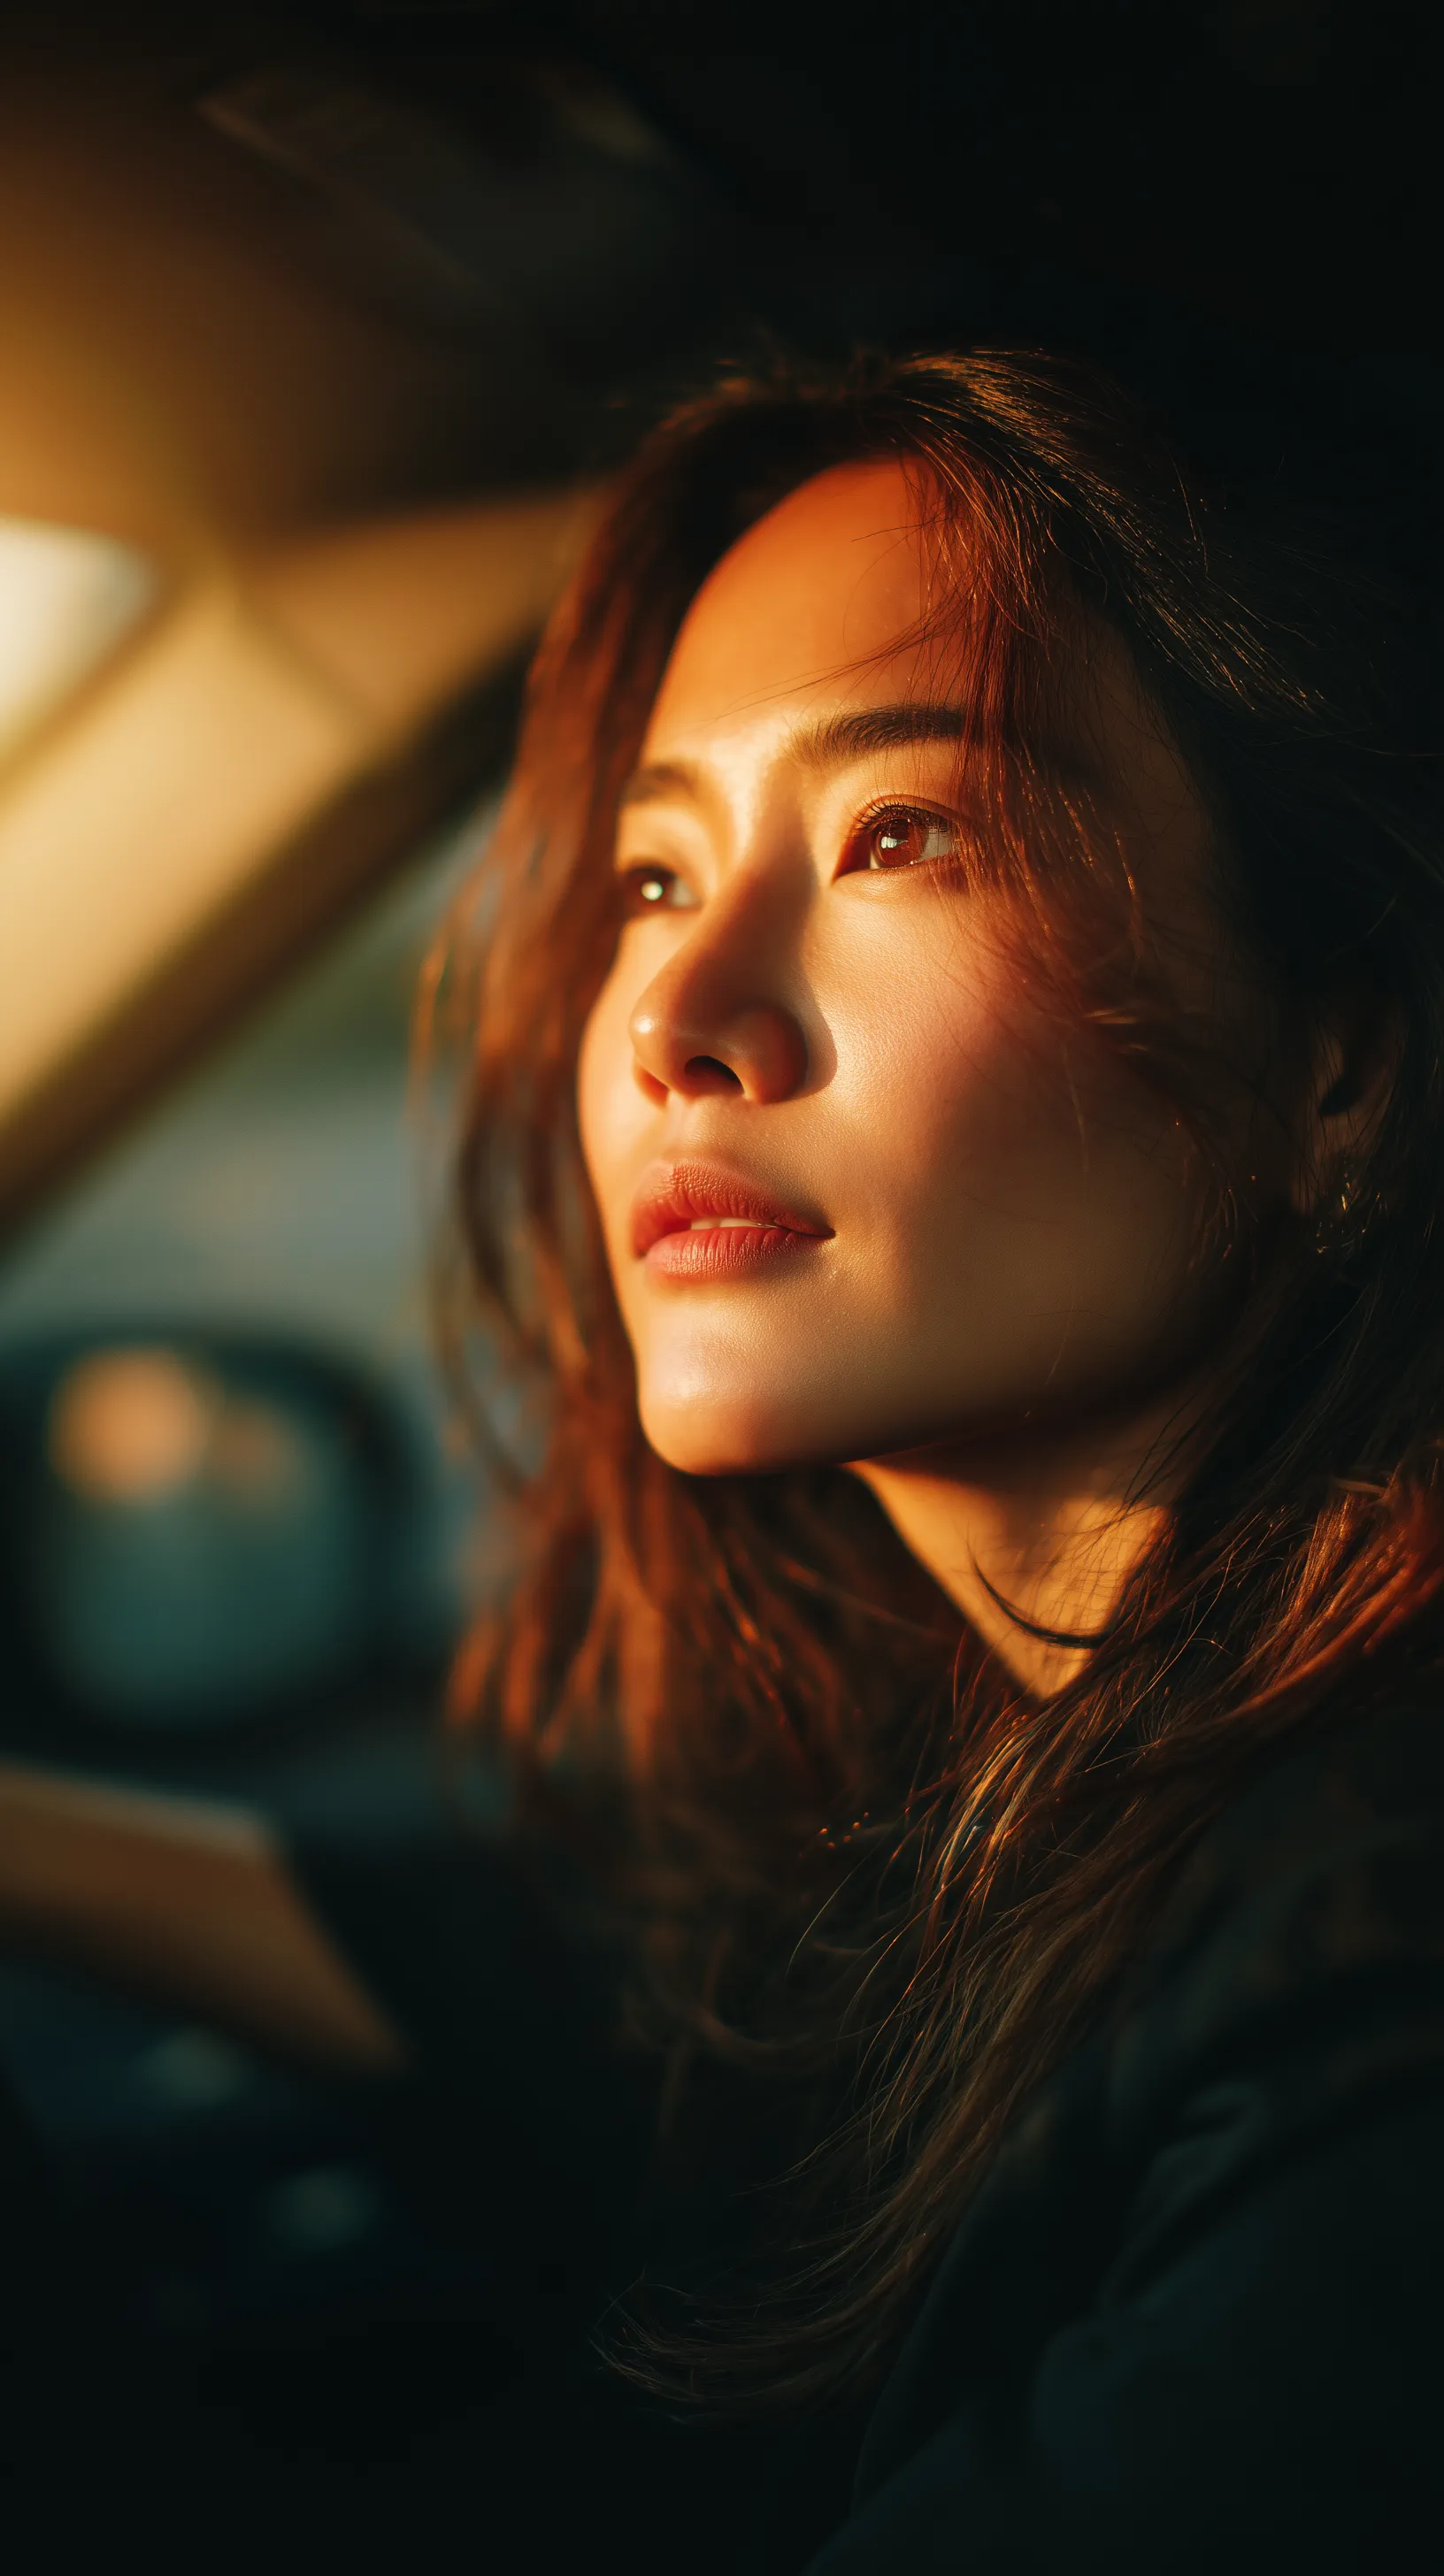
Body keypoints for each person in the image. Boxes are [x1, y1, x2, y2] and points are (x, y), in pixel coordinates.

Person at [438, 348, 1444, 2570]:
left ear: (1344, 1062)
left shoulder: (1376, 1993)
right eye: (650, 876)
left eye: (903, 832)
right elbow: (545, 1995)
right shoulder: (1014, 1791)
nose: (680, 1018)